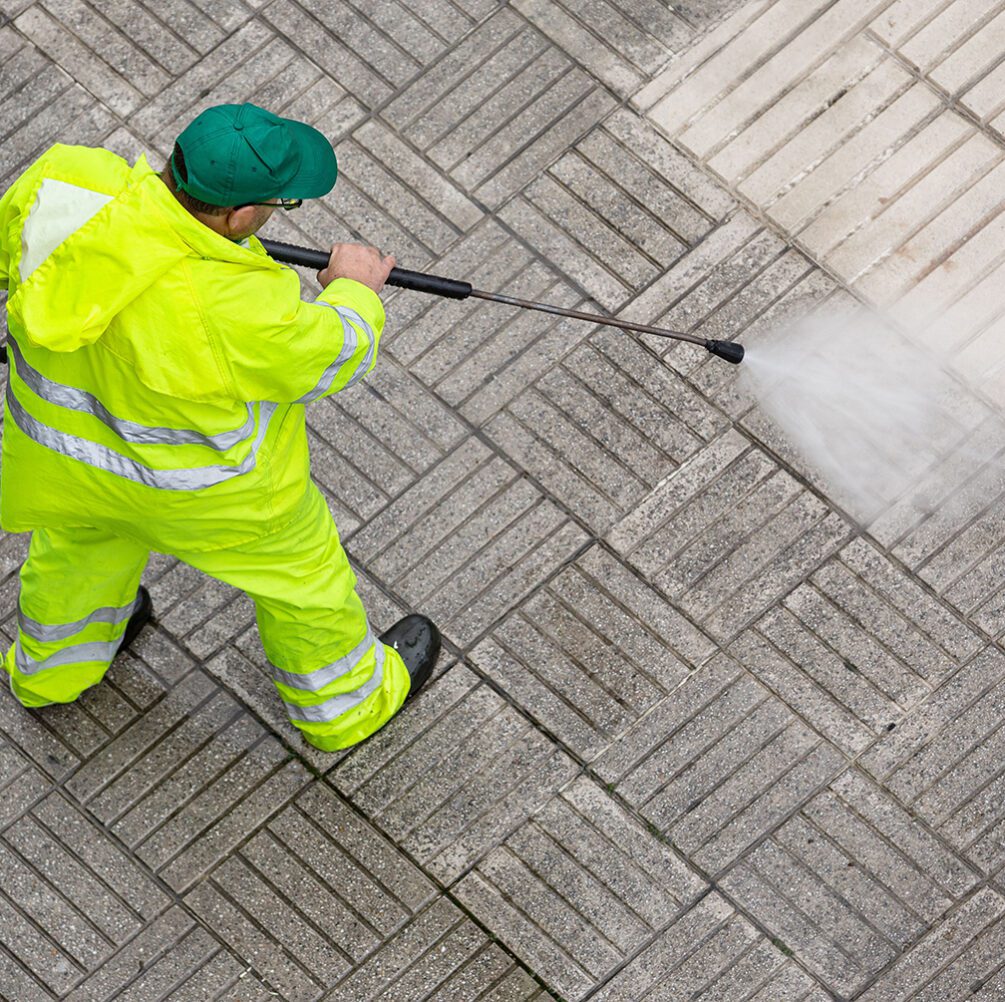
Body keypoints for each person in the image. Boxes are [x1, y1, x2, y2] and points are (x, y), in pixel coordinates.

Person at [0, 102, 440, 751]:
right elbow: (331, 357)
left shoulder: (64, 182)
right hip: (213, 502)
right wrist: (354, 290)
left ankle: (50, 676)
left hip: (66, 468)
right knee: (303, 579)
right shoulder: (240, 307)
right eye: (275, 204)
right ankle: (344, 707)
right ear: (238, 216)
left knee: (77, 555)